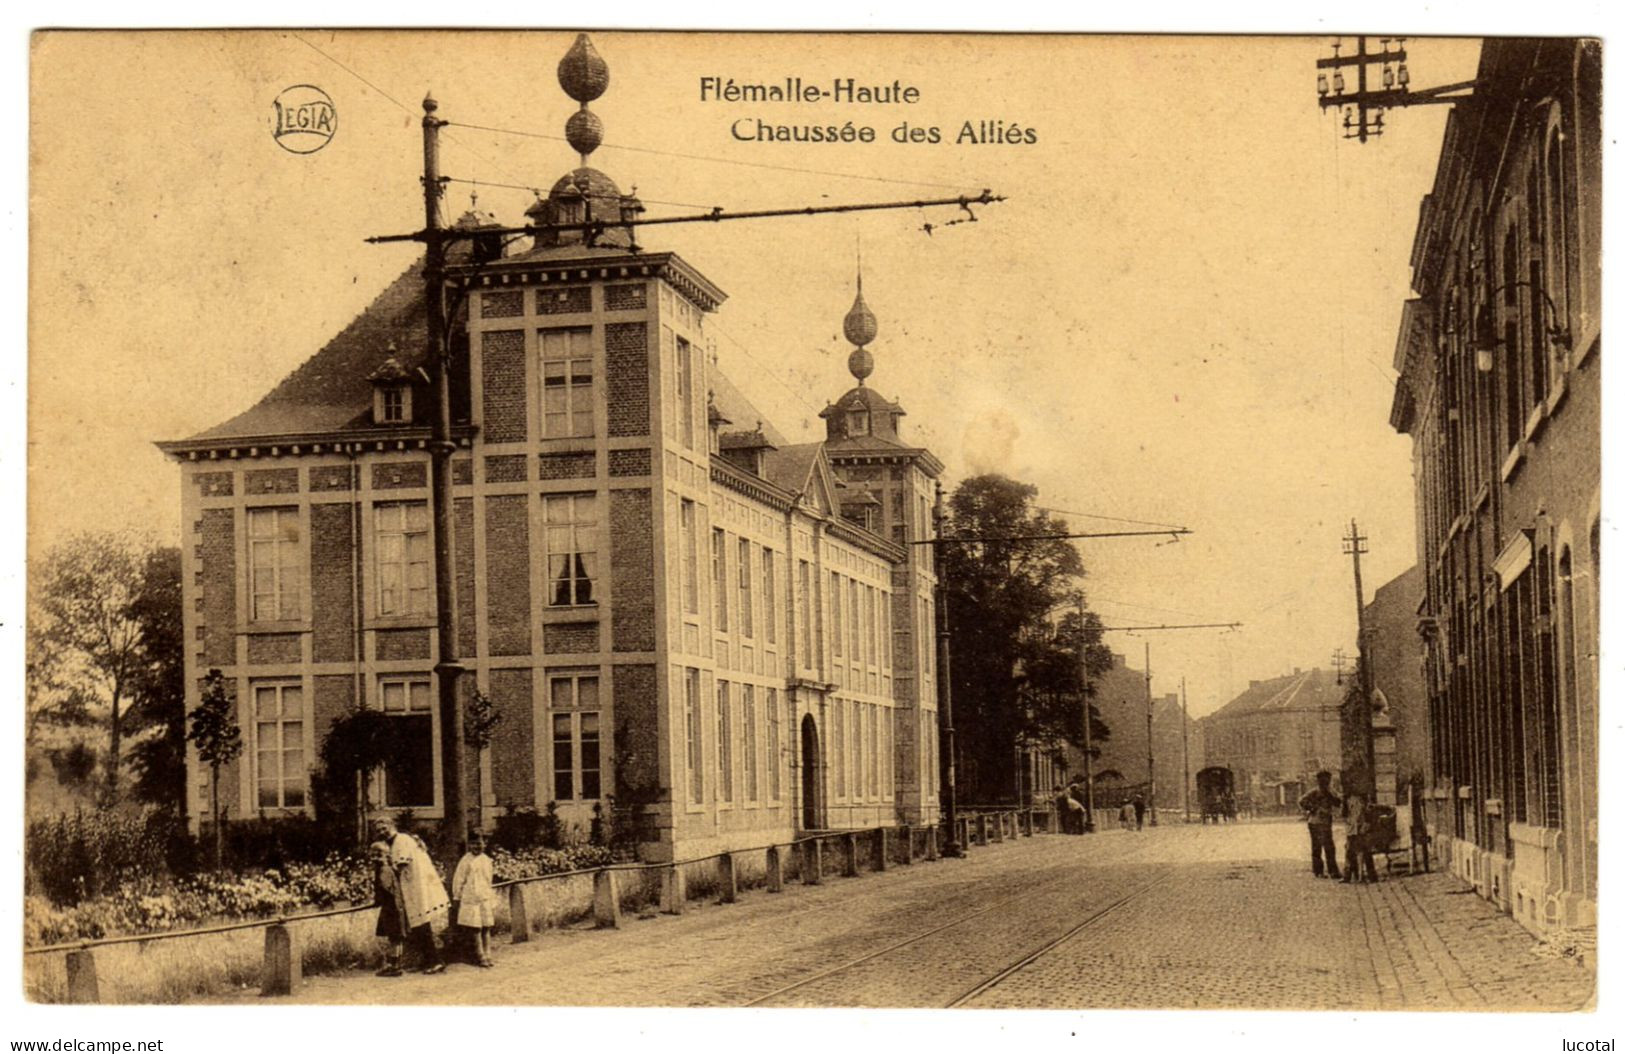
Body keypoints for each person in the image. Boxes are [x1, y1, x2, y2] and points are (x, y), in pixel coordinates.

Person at [374, 816, 450, 974]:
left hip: (416, 887)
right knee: (417, 926)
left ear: (392, 825)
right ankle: (426, 960)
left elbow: (401, 865)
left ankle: (435, 961)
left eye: (384, 828)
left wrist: (387, 874)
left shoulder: (401, 840)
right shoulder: (394, 843)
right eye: (379, 830)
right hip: (410, 888)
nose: (382, 832)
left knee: (422, 925)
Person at [452, 831, 498, 967]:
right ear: (469, 845)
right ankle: (480, 955)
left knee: (486, 927)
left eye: (479, 844)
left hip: (484, 897)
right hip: (471, 898)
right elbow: (458, 880)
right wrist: (457, 896)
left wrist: (490, 897)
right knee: (475, 928)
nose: (476, 847)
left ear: (485, 844)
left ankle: (488, 953)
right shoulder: (466, 860)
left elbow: (488, 880)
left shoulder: (486, 860)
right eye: (473, 844)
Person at [370, 841, 406, 977]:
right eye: (372, 855)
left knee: (394, 937)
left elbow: (386, 889)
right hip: (393, 906)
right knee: (396, 937)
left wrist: (378, 901)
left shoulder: (384, 870)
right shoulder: (386, 868)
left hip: (392, 907)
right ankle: (396, 965)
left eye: (379, 855)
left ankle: (393, 966)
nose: (375, 858)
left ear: (386, 855)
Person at [1298, 771, 1342, 878]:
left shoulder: (1330, 792)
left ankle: (1327, 871)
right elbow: (1302, 801)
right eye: (1323, 780)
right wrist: (1312, 808)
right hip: (1315, 822)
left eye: (1327, 780)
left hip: (1324, 822)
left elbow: (1338, 802)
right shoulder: (1314, 792)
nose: (1325, 782)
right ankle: (1322, 871)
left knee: (1327, 847)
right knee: (1321, 847)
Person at [1342, 792, 1378, 884]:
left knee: (1365, 852)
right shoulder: (1347, 798)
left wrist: (1366, 824)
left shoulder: (1365, 798)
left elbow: (1370, 812)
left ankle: (1371, 876)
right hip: (1352, 828)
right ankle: (1348, 875)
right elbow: (1344, 814)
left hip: (1362, 827)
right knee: (1350, 851)